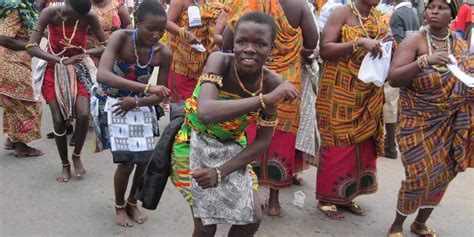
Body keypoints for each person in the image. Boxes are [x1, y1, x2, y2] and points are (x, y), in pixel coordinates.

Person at [170, 12, 298, 236]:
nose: (250, 48)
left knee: (252, 217)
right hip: (192, 142)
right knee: (205, 225)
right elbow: (206, 113)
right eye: (242, 41)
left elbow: (262, 142)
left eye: (260, 43)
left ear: (272, 48)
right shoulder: (219, 62)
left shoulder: (270, 83)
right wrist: (264, 100)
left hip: (231, 148)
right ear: (233, 43)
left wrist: (219, 172)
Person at [222, 0, 319, 216]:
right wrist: (290, 53)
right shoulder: (300, 5)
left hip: (250, 77)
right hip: (285, 83)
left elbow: (228, 40)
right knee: (279, 137)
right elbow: (312, 42)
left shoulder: (247, 3)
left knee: (246, 135)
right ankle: (274, 202)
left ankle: (247, 196)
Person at [387, 0, 473, 236]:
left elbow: (467, 73)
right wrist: (424, 61)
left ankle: (420, 223)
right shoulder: (414, 41)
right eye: (431, 7)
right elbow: (394, 78)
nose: (434, 11)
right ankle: (397, 223)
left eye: (441, 8)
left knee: (443, 173)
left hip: (449, 121)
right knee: (418, 174)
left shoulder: (459, 44)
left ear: (452, 15)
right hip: (417, 122)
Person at [94, 0, 171, 227]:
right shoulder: (121, 38)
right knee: (127, 162)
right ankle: (119, 206)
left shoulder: (163, 53)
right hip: (113, 103)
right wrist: (146, 88)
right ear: (138, 22)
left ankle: (132, 202)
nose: (157, 35)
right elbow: (102, 75)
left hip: (139, 105)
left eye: (162, 30)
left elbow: (161, 96)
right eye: (151, 29)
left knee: (144, 162)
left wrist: (137, 100)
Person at [315, 0, 394, 220]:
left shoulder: (378, 17)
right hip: (339, 90)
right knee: (337, 143)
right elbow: (325, 48)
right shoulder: (341, 13)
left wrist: (386, 44)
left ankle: (347, 195)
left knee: (360, 144)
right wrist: (358, 42)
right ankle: (327, 197)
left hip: (367, 91)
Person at [27, 0, 107, 182]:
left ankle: (76, 155)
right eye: (74, 14)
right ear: (67, 4)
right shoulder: (49, 14)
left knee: (84, 114)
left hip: (79, 67)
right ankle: (65, 164)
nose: (77, 18)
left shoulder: (89, 16)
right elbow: (31, 47)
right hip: (52, 67)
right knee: (58, 119)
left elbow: (105, 45)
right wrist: (60, 60)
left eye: (81, 16)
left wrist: (85, 51)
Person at [0, 0, 43, 158]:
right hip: (12, 63)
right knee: (27, 105)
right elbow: (4, 38)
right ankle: (22, 147)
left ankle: (11, 140)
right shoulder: (15, 8)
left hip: (16, 61)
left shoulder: (25, 7)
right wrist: (29, 46)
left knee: (12, 104)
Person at [383, 0, 421, 159]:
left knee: (390, 102)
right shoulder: (412, 12)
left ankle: (390, 145)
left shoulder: (397, 14)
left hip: (398, 64)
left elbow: (398, 41)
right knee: (397, 104)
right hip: (410, 64)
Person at [165, 0, 223, 102]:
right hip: (181, 64)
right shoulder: (180, 1)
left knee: (199, 104)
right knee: (183, 107)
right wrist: (186, 35)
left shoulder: (214, 3)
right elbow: (166, 22)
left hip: (204, 65)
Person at [87, 0, 132, 66]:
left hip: (115, 49)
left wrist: (128, 42)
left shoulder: (116, 4)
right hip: (91, 52)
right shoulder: (85, 5)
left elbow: (127, 24)